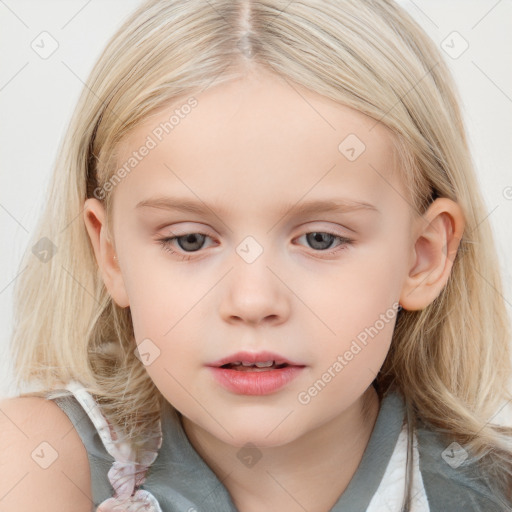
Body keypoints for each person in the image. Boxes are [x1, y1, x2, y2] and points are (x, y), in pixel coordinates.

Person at [1, 0, 512, 510]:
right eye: (190, 240)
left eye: (320, 239)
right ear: (111, 255)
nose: (252, 300)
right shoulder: (38, 462)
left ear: (422, 257)